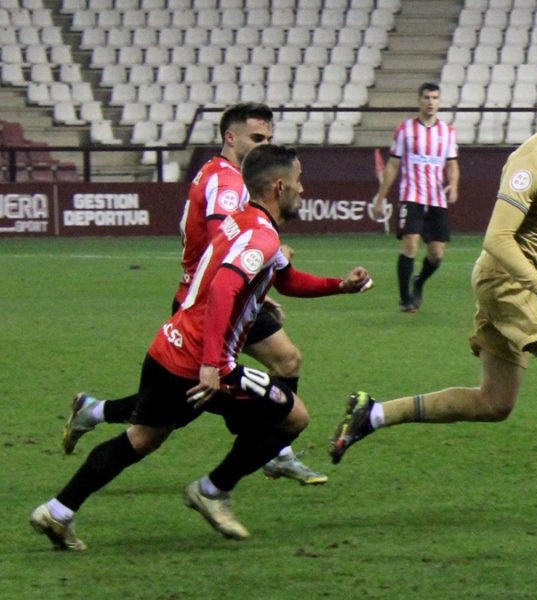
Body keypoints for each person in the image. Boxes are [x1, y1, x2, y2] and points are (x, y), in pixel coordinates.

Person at [31, 144, 373, 550]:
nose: (303, 188)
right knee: (294, 417)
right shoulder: (261, 236)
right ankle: (212, 490)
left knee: (141, 438)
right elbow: (227, 284)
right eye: (299, 181)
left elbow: (287, 279)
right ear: (280, 186)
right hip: (203, 363)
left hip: (168, 348)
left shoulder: (243, 222)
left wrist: (342, 286)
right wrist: (214, 364)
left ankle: (58, 511)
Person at [330, 63, 537, 531]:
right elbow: (497, 240)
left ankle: (373, 414)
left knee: (494, 403)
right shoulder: (534, 160)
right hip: (505, 282)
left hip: (525, 282)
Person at [62, 103, 328, 485]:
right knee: (178, 406)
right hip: (210, 300)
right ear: (230, 137)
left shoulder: (221, 173)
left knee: (286, 361)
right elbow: (227, 241)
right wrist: (256, 272)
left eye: (268, 139)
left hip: (226, 294)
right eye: (256, 139)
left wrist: (256, 281)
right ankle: (98, 412)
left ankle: (276, 448)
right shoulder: (227, 182)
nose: (262, 146)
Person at [373, 82, 460, 313]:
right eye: (427, 97)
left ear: (439, 102)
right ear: (419, 100)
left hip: (436, 199)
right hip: (411, 196)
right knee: (410, 244)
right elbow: (393, 165)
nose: (431, 102)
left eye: (435, 98)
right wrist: (381, 197)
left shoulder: (447, 131)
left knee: (437, 254)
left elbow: (452, 164)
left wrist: (453, 184)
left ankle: (418, 282)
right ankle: (405, 299)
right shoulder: (405, 130)